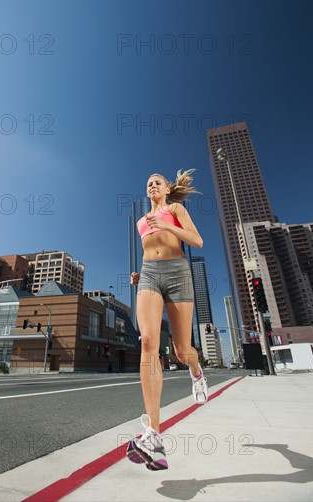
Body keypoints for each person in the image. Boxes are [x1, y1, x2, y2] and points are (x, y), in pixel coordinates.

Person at [126, 169, 208, 471]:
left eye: (157, 182)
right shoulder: (139, 222)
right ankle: (153, 435)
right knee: (148, 342)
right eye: (148, 183)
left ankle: (196, 371)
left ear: (166, 188)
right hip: (148, 275)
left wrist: (166, 225)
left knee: (182, 351)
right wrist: (139, 276)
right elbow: (151, 249)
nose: (151, 186)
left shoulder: (175, 209)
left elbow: (196, 241)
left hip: (178, 274)